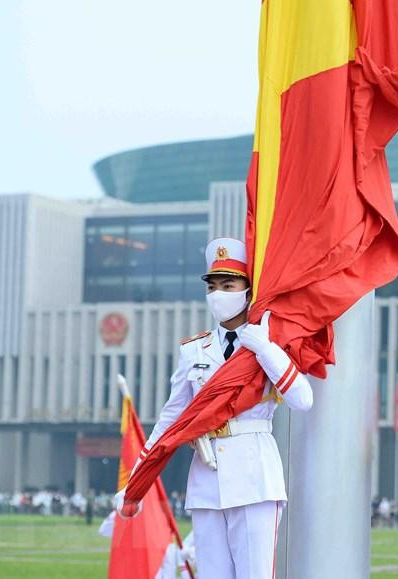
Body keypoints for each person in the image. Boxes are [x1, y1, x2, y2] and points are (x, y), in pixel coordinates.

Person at [118, 238, 314, 579]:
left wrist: (265, 349)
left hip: (255, 477)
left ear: (248, 290)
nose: (219, 294)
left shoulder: (268, 344)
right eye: (213, 287)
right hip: (207, 478)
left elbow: (302, 399)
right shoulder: (194, 351)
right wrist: (136, 479)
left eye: (229, 285)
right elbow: (170, 421)